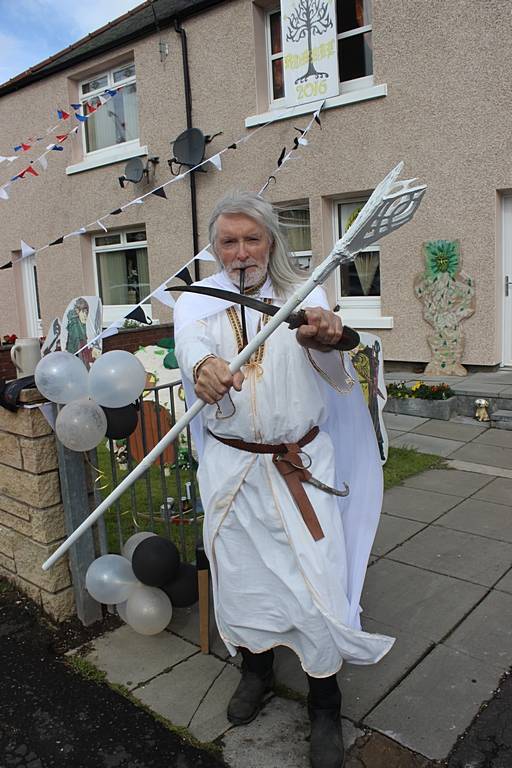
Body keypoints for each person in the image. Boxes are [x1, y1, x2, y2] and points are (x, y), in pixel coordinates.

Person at [174, 192, 394, 768]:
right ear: (215, 246)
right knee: (243, 578)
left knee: (314, 585)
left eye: (252, 239)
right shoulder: (195, 303)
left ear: (271, 241)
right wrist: (203, 370)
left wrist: (329, 339)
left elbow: (342, 366)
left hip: (299, 467)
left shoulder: (306, 295)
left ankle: (325, 701)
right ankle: (256, 670)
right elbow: (191, 350)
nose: (240, 252)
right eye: (228, 241)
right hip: (233, 469)